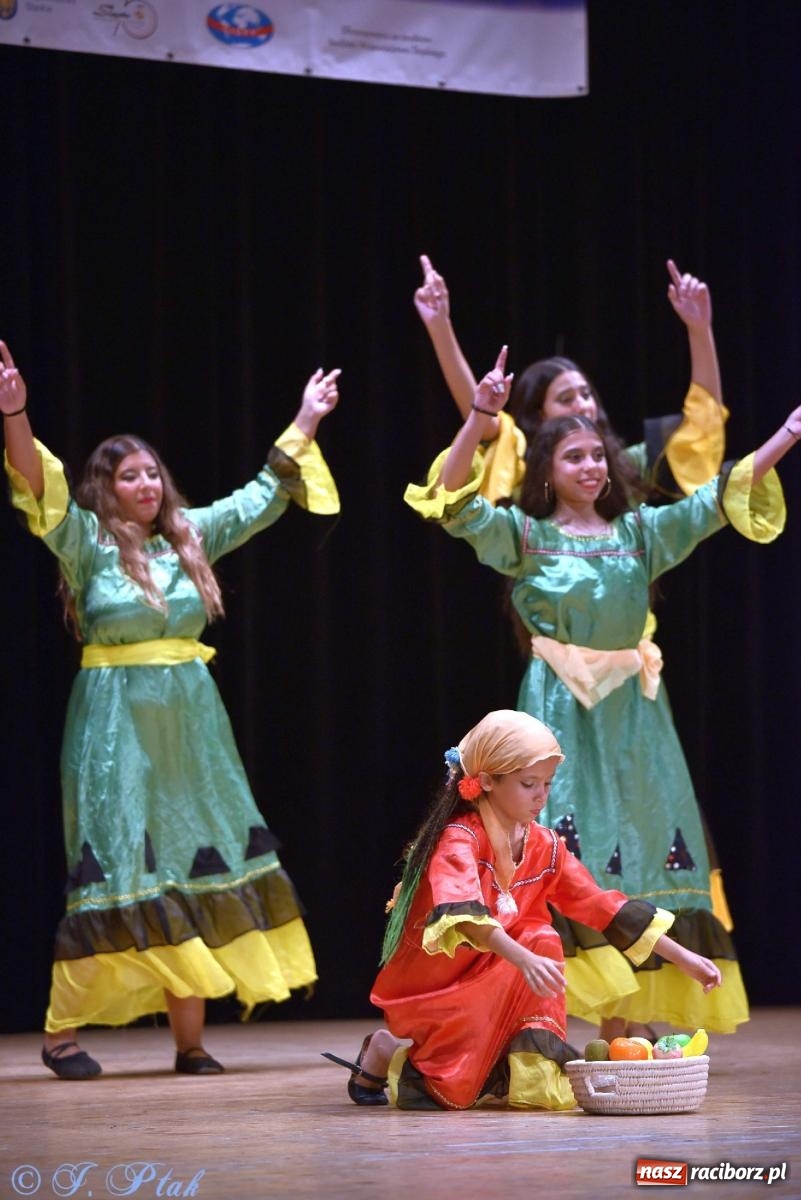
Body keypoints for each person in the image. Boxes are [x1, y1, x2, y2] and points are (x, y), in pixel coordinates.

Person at [403, 348, 800, 1041]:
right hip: (557, 714)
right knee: (559, 848)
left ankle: (628, 1020)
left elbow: (716, 499)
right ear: (547, 471)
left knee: (640, 845)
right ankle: (533, 1022)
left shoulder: (639, 533)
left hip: (636, 718)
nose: (590, 466)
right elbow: (453, 500)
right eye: (573, 457)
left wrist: (786, 435)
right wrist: (478, 416)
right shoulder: (526, 537)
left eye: (596, 456)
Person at [1, 340, 341, 1079]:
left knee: (192, 856)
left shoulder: (191, 536)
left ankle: (189, 1042)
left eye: (152, 472)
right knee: (121, 860)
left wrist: (307, 419)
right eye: (130, 475)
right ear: (106, 488)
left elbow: (261, 495)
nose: (147, 484)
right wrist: (15, 414)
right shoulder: (87, 543)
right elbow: (35, 484)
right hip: (114, 728)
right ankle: (61, 1034)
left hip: (191, 728)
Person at [323, 709, 722, 1111]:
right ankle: (386, 1050)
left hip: (503, 967)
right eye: (529, 784)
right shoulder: (459, 840)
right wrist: (524, 959)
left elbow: (601, 905)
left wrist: (683, 957)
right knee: (451, 1092)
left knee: (541, 936)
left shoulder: (545, 846)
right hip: (443, 976)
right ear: (487, 781)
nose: (541, 795)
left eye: (548, 783)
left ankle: (526, 1074)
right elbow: (468, 922)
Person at [414, 253, 726, 506]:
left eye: (586, 394)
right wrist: (440, 327)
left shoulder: (626, 467)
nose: (583, 405)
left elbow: (703, 426)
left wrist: (700, 330)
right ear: (540, 415)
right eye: (566, 399)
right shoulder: (519, 464)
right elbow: (481, 417)